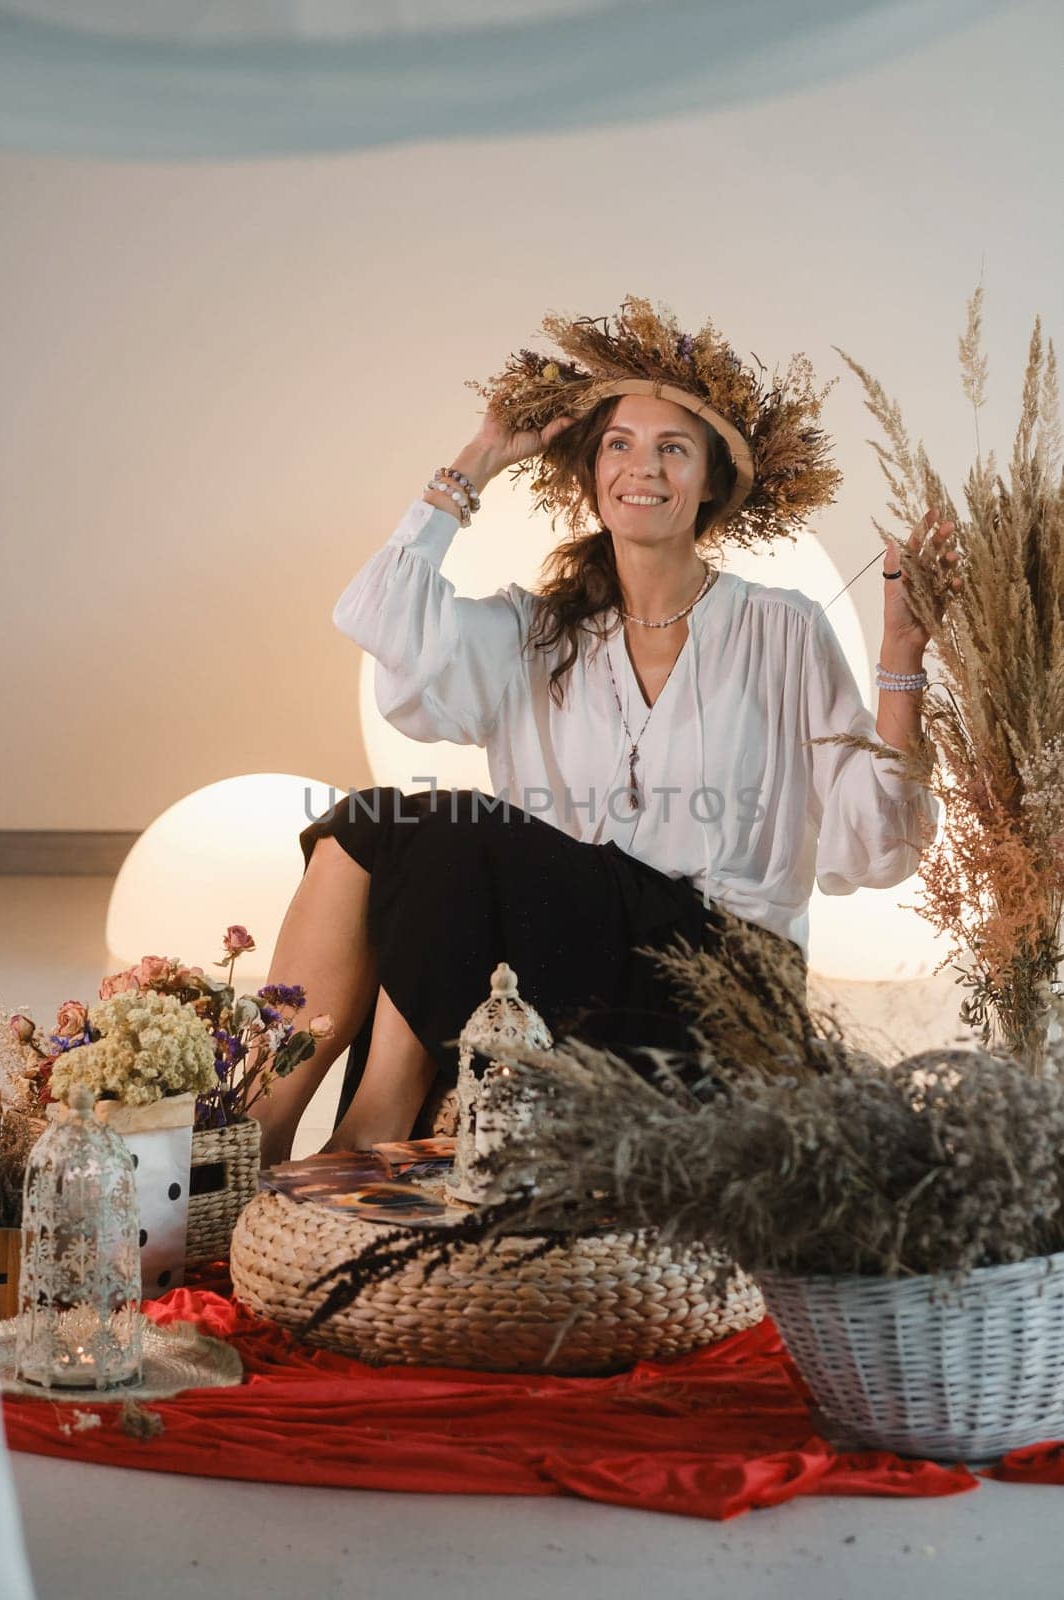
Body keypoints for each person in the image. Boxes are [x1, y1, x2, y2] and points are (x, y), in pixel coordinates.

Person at [251, 297, 959, 1166]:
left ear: (710, 483)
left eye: (672, 448)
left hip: (720, 976)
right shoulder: (537, 631)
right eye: (619, 444)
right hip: (554, 957)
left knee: (452, 831)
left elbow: (878, 842)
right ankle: (258, 1128)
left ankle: (370, 1127)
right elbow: (378, 616)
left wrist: (900, 654)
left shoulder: (781, 628)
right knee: (369, 824)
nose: (643, 468)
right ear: (590, 474)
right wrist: (477, 460)